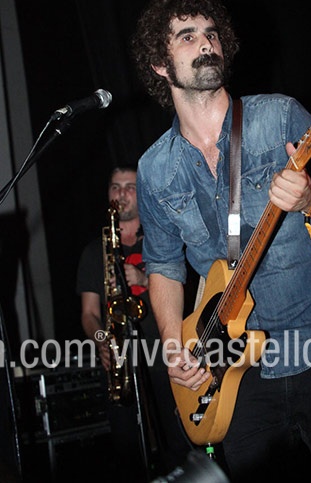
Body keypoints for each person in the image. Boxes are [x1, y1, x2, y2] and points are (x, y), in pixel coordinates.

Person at [129, 0, 311, 483]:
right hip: (235, 378)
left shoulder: (280, 116)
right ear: (159, 64)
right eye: (187, 36)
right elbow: (163, 267)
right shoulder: (154, 168)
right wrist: (174, 347)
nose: (206, 43)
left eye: (211, 33)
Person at [76, 165, 190, 480]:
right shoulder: (94, 251)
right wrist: (102, 340)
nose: (122, 193)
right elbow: (89, 313)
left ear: (142, 193)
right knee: (128, 451)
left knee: (178, 442)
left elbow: (189, 289)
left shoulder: (161, 241)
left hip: (164, 355)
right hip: (120, 360)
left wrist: (143, 278)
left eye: (130, 187)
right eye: (116, 187)